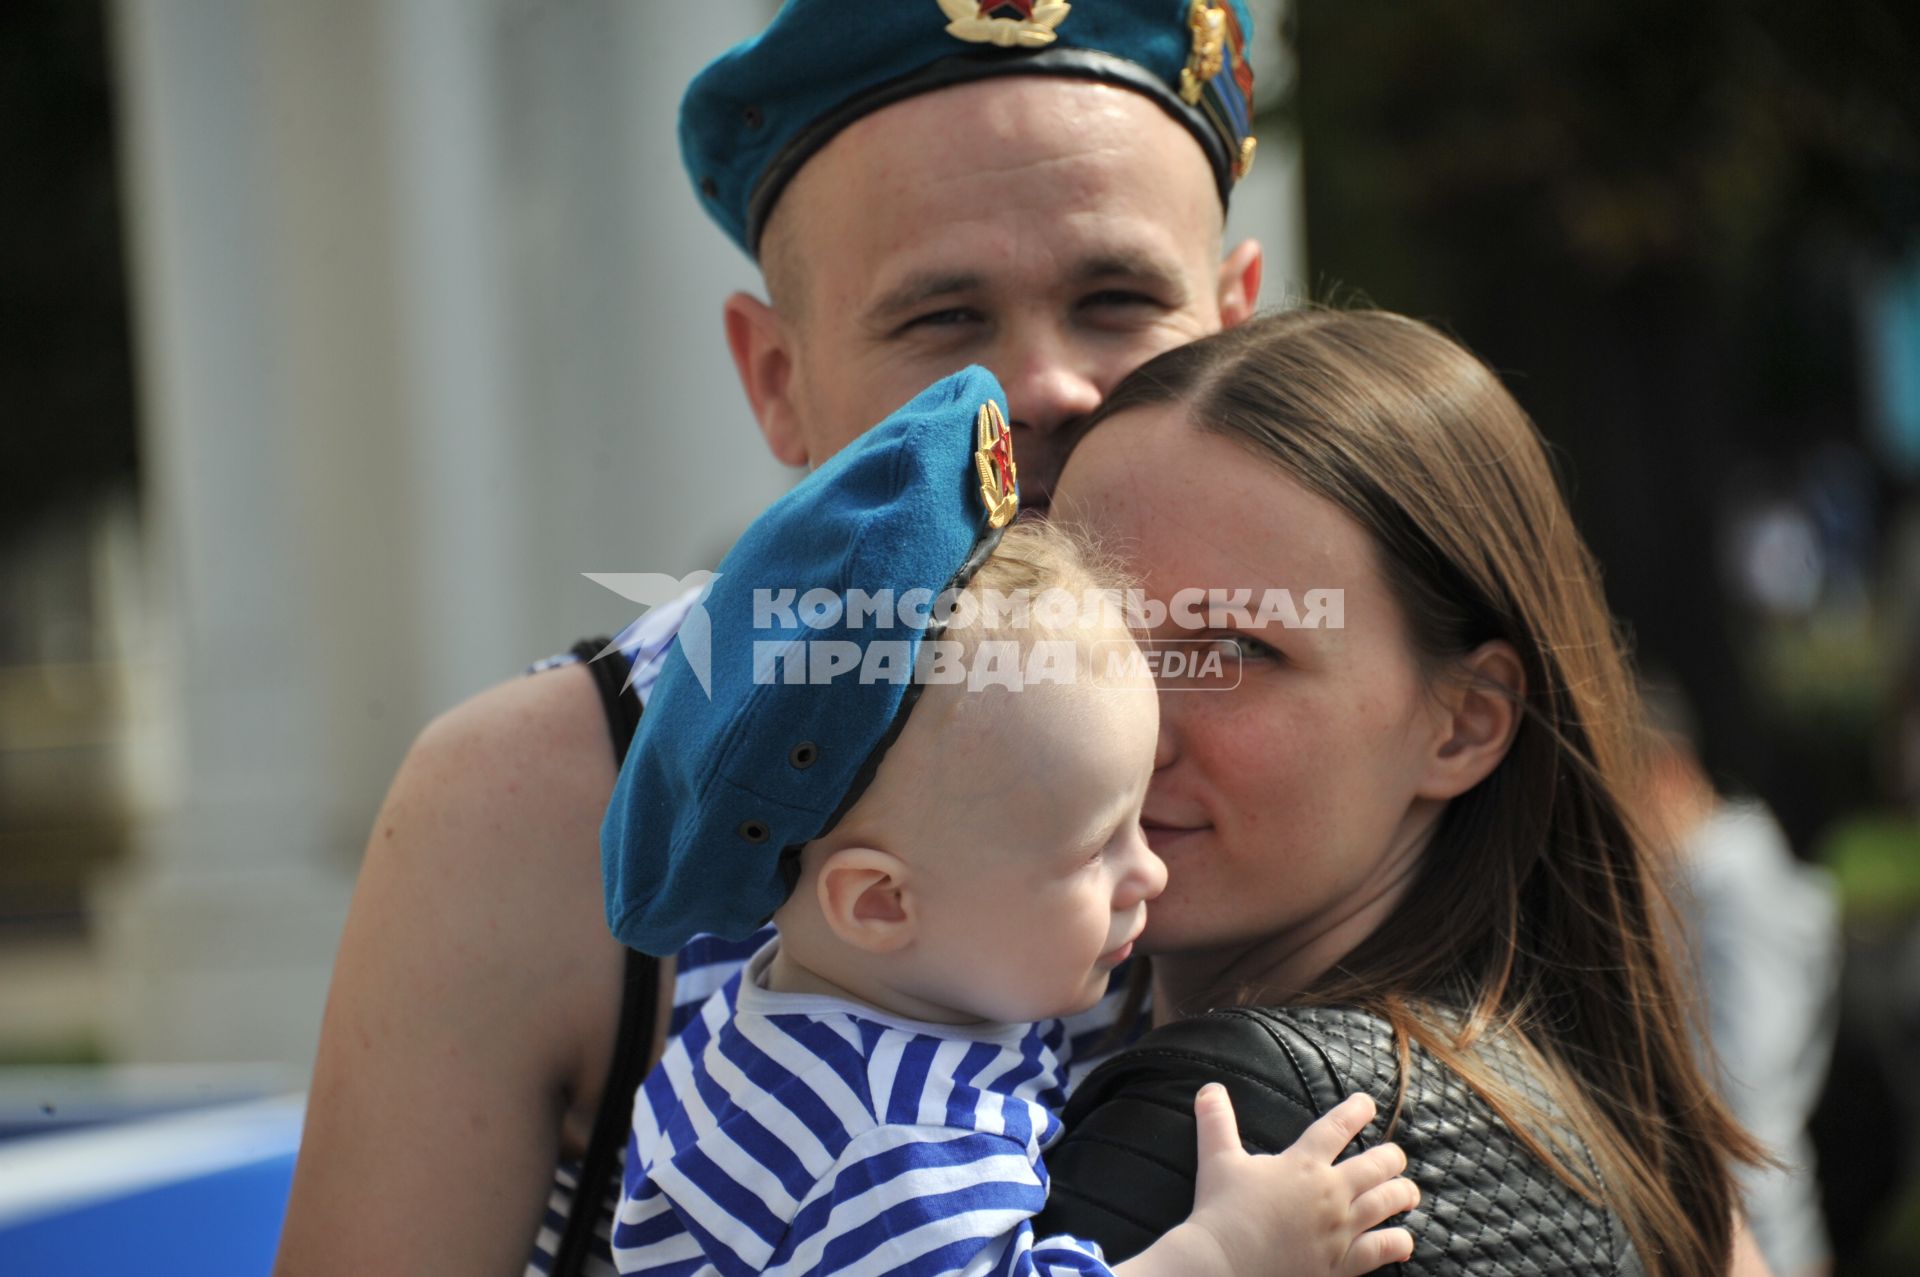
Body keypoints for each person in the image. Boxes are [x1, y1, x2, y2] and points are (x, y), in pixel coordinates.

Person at [272, 4, 1263, 1275]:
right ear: (776, 378)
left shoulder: (1338, 719)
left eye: (1117, 298)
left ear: (1235, 325)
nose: (1045, 383)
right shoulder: (531, 799)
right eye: (942, 321)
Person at [600, 366, 1417, 1277]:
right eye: (1094, 847)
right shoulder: (902, 1137)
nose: (1145, 873)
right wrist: (1229, 1251)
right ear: (878, 903)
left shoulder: (772, 1017)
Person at [1023, 308, 1769, 1277]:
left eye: (1238, 648)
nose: (1127, 721)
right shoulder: (1587, 1122)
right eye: (1084, 632)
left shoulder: (1242, 1143)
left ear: (1464, 721)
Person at [1640, 681, 1840, 1277]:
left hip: (1759, 1236)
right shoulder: (1690, 871)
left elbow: (1747, 1094)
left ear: (1668, 769)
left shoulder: (1732, 873)